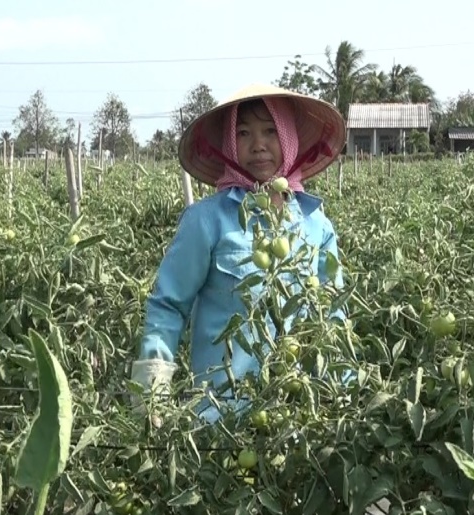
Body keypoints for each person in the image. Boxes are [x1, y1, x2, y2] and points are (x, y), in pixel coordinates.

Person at [131, 83, 348, 423]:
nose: (258, 145)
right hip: (220, 420)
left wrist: (342, 394)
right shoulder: (207, 220)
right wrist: (152, 393)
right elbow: (168, 306)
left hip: (300, 421)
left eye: (270, 131)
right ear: (231, 144)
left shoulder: (315, 224)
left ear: (289, 138)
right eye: (243, 133)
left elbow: (333, 316)